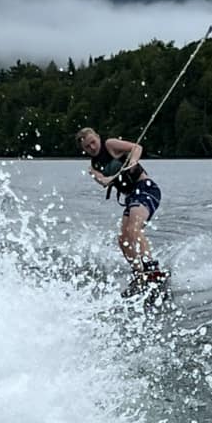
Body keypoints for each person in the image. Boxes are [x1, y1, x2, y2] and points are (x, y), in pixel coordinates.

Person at [75, 127, 167, 296]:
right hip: (132, 197)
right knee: (123, 239)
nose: (92, 148)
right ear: (83, 149)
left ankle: (151, 268)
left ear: (98, 137)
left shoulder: (110, 145)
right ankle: (139, 273)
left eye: (93, 142)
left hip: (145, 188)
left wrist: (132, 162)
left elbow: (137, 148)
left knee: (134, 229)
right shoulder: (93, 167)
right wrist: (107, 179)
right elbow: (102, 181)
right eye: (88, 147)